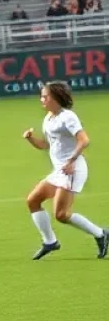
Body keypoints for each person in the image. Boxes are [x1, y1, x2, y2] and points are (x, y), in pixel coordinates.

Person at [24, 81, 107, 260]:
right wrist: (31, 139)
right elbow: (47, 145)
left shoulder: (67, 117)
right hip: (60, 170)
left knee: (61, 215)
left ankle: (101, 234)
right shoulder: (49, 118)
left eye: (45, 96)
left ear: (55, 98)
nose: (42, 99)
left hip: (72, 170)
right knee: (33, 200)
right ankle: (50, 242)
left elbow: (84, 140)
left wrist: (71, 161)